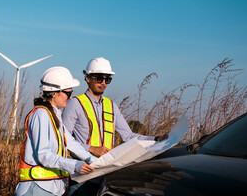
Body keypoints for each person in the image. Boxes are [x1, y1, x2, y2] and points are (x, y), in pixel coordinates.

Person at [62, 57, 168, 195]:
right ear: (88, 78)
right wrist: (91, 148)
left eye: (107, 79)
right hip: (83, 178)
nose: (104, 83)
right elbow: (63, 139)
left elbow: (128, 136)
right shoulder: (74, 104)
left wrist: (155, 139)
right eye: (99, 78)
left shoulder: (111, 106)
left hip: (106, 175)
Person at [16, 66, 97, 196]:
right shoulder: (41, 115)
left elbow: (71, 143)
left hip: (49, 188)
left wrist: (95, 161)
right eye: (68, 93)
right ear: (55, 92)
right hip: (37, 187)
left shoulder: (55, 114)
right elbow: (43, 155)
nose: (70, 98)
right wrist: (75, 165)